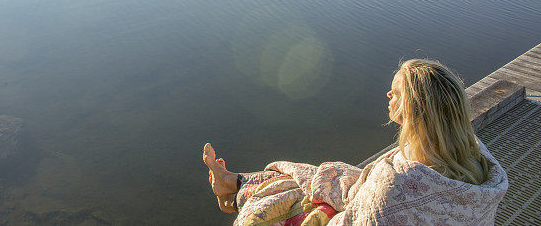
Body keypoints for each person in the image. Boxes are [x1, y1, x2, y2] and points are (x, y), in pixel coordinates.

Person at [202, 59, 508, 225]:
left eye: (396, 93)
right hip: (376, 193)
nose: (388, 96)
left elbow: (360, 218)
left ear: (416, 109)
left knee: (282, 197)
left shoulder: (399, 181)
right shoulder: (476, 158)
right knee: (305, 176)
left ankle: (233, 188)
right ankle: (234, 182)